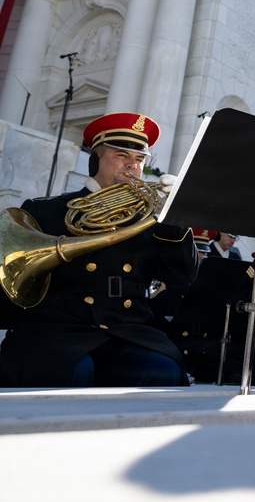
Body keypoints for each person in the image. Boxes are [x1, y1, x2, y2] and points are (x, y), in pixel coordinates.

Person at [0, 112, 196, 387]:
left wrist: (174, 222)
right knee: (71, 369)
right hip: (56, 327)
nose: (133, 166)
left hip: (127, 329)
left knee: (161, 370)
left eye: (139, 159)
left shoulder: (150, 221)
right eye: (122, 156)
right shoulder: (46, 210)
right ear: (96, 159)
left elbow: (181, 276)